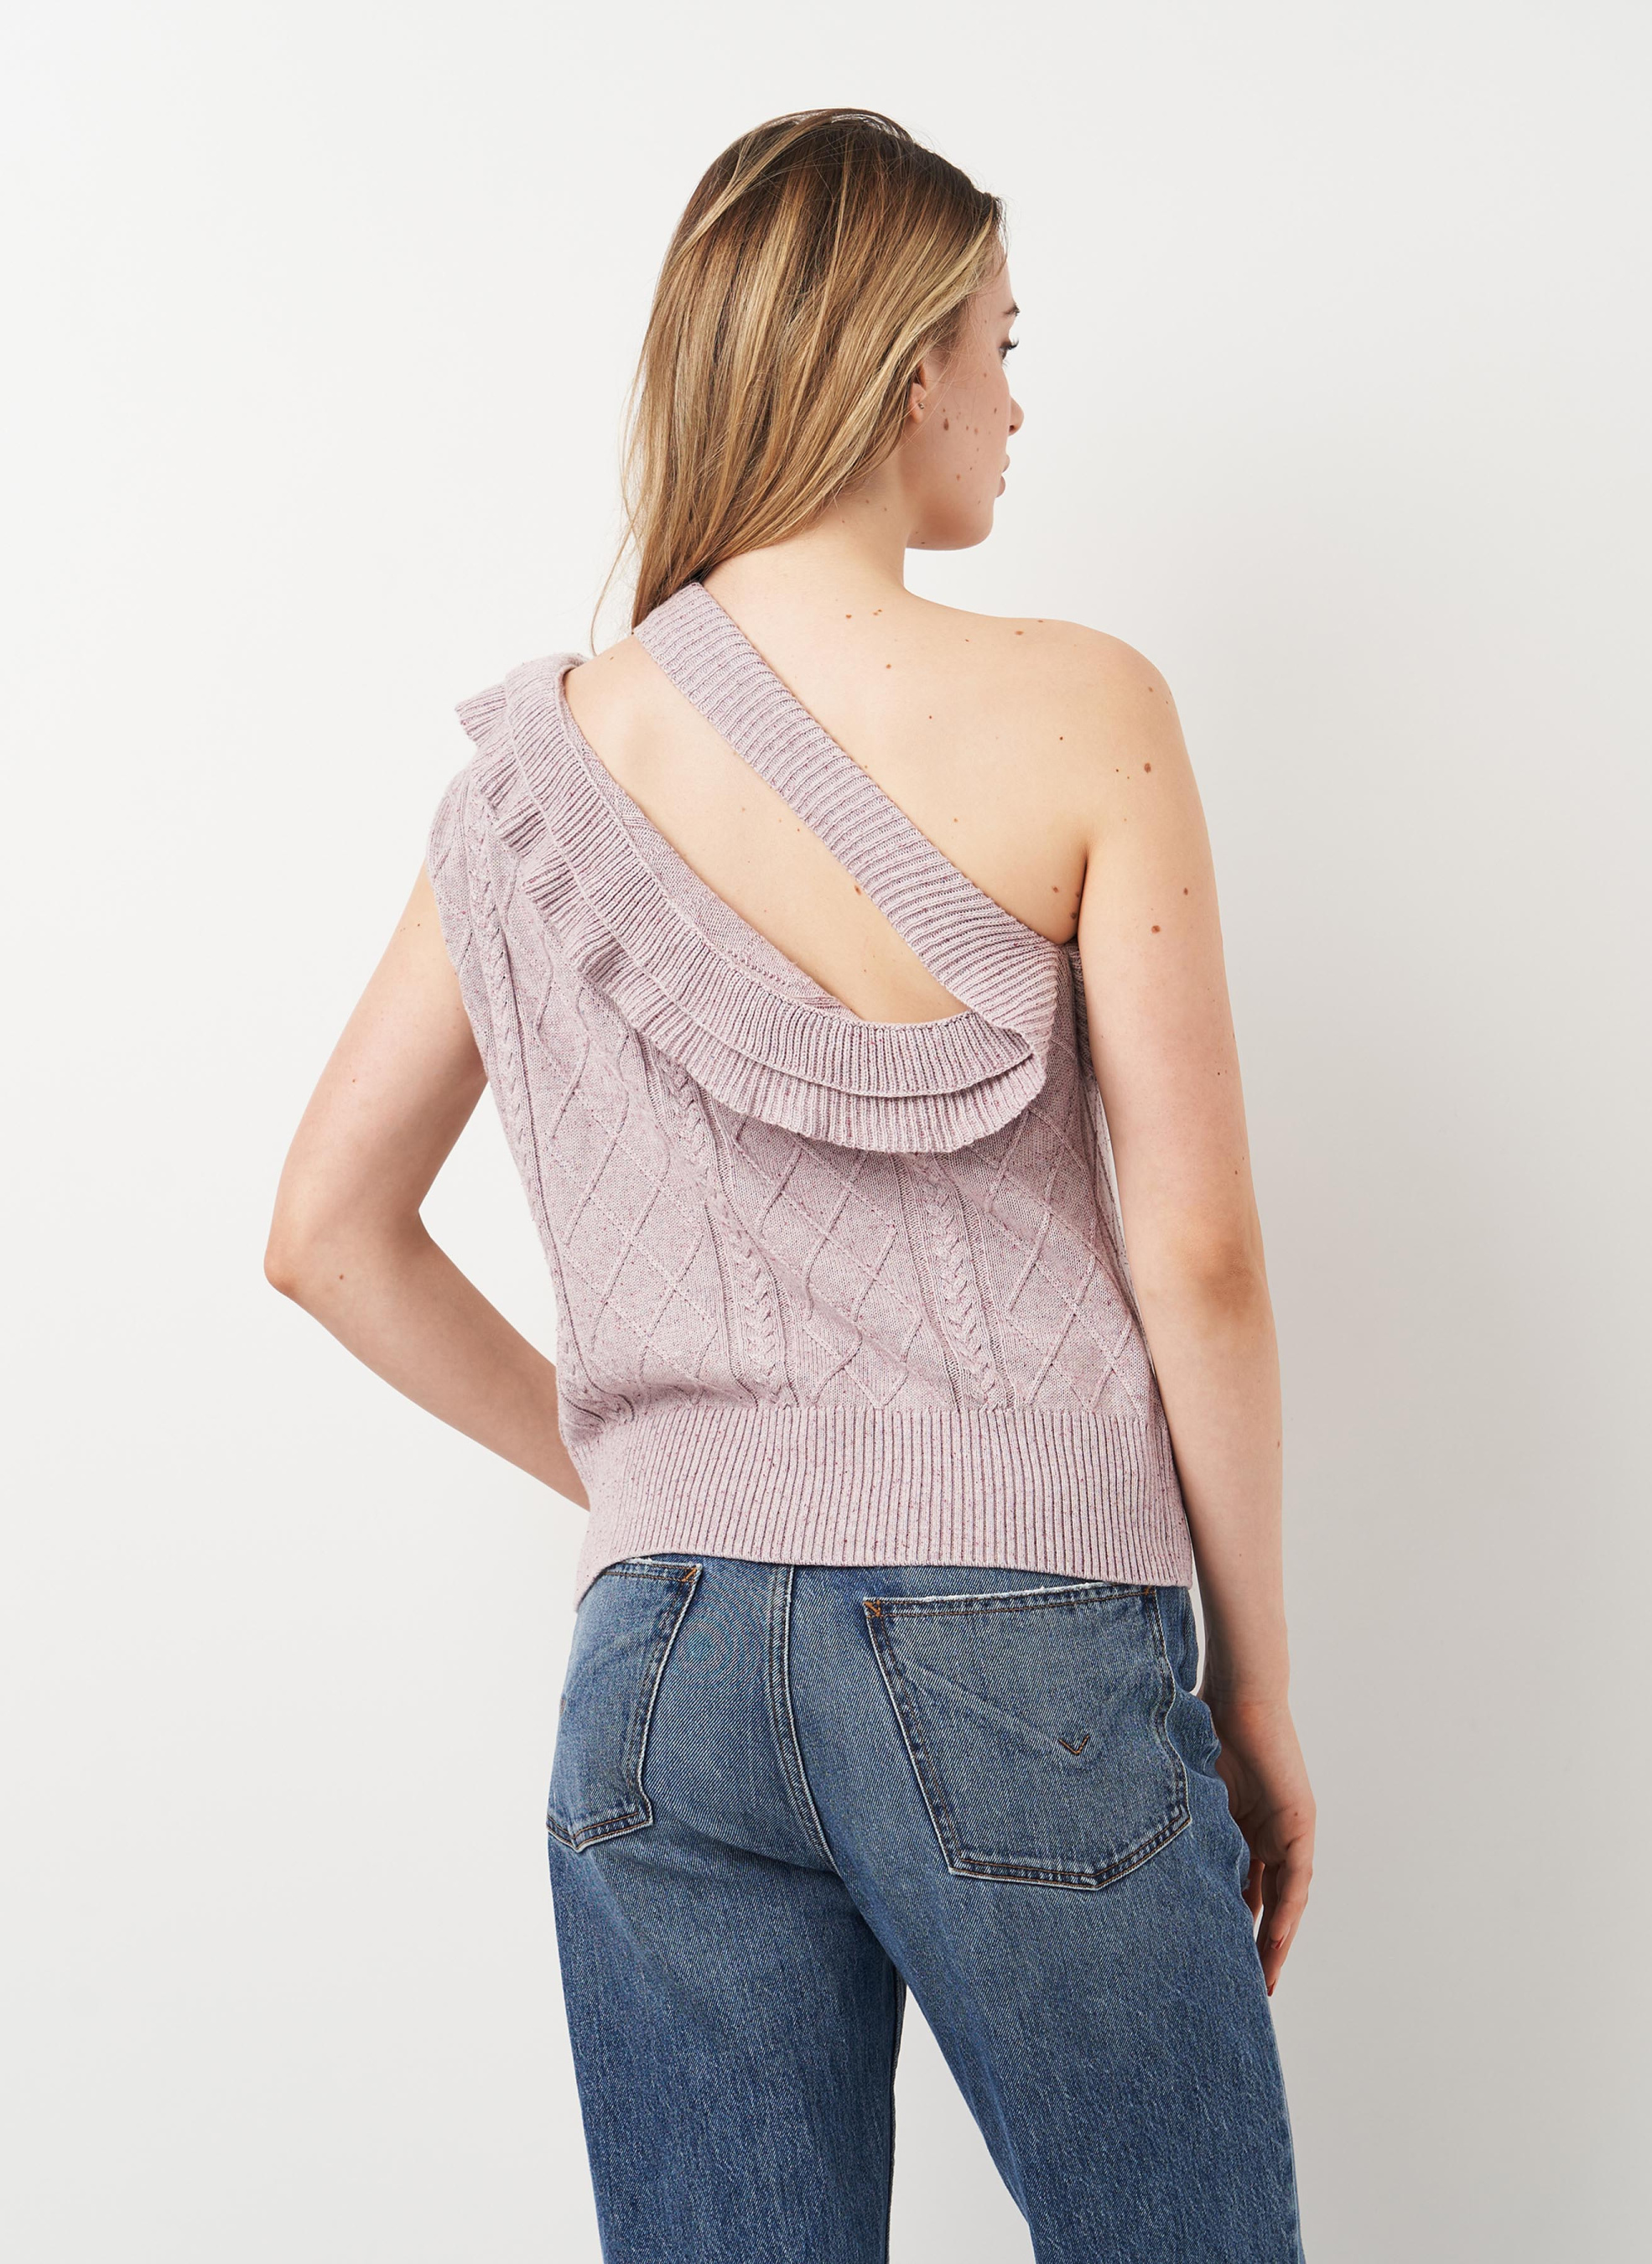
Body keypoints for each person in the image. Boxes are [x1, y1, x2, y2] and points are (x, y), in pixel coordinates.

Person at [267, 106, 1313, 2264]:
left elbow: (325, 1234)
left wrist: (648, 1479)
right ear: (906, 362)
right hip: (1024, 1637)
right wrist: (1256, 1692)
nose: (1013, 400)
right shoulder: (1081, 707)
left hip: (654, 1671)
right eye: (1000, 343)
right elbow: (1198, 1255)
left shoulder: (531, 782)